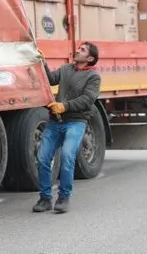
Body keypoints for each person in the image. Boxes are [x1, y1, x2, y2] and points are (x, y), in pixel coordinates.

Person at [32, 41, 101, 214]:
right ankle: (45, 198)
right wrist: (43, 63)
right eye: (79, 48)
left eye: (82, 50)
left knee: (67, 156)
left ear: (90, 58)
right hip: (56, 121)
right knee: (42, 158)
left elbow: (88, 99)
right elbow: (50, 79)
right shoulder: (65, 69)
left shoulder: (93, 77)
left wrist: (65, 106)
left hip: (76, 122)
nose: (77, 50)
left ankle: (64, 197)